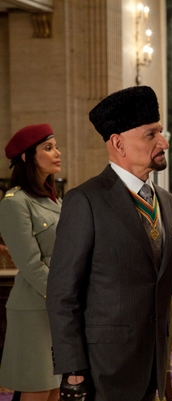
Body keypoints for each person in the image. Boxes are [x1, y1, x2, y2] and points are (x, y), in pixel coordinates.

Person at [46, 86, 172, 401]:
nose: (164, 143)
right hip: (103, 368)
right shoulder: (85, 201)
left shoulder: (167, 201)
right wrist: (73, 369)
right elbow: (63, 295)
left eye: (161, 132)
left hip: (154, 361)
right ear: (118, 143)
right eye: (151, 135)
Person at [0, 124, 61, 401]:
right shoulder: (15, 202)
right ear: (26, 157)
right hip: (34, 308)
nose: (57, 153)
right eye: (48, 148)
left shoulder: (54, 201)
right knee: (38, 388)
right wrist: (63, 296)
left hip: (57, 307)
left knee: (56, 389)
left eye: (56, 146)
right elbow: (30, 263)